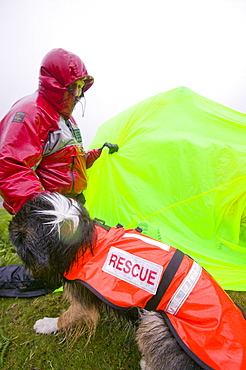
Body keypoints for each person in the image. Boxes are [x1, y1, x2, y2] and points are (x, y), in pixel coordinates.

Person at [0, 48, 118, 215]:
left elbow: (68, 162)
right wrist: (46, 212)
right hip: (52, 214)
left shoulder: (66, 119)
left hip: (69, 207)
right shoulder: (32, 112)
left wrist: (98, 154)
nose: (79, 96)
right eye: (75, 87)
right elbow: (11, 167)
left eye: (82, 88)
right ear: (56, 85)